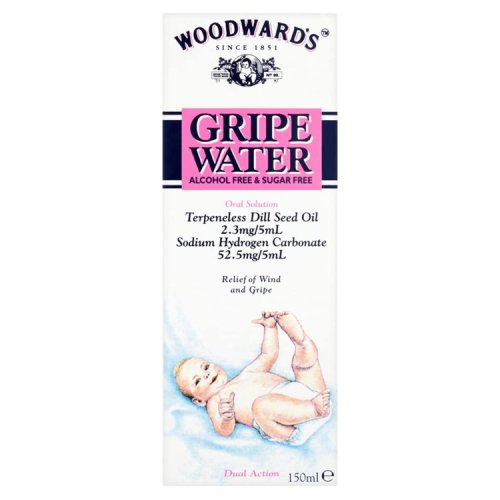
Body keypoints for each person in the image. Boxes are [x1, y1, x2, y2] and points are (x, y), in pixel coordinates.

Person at [174, 311, 330, 444]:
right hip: (289, 425)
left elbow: (268, 355)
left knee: (303, 365)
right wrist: (227, 418)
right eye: (197, 380)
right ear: (199, 401)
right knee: (261, 406)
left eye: (205, 367)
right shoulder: (217, 401)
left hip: (309, 394)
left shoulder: (246, 374)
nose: (206, 374)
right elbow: (223, 430)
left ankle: (301, 342)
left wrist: (270, 328)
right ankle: (312, 409)